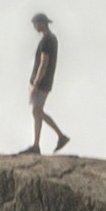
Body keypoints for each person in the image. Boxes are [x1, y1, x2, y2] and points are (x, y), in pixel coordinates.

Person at [27, 10, 70, 155]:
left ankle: (58, 137)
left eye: (35, 24)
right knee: (37, 111)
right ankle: (38, 144)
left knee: (37, 111)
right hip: (46, 81)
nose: (34, 28)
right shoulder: (52, 38)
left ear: (41, 24)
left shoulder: (46, 40)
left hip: (42, 82)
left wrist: (36, 83)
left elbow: (43, 64)